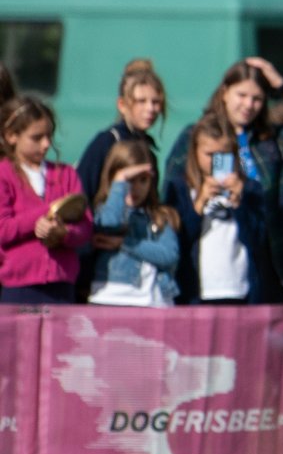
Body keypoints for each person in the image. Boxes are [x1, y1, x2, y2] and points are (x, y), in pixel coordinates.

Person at [165, 56, 283, 302]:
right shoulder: (195, 137)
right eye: (242, 95)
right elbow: (172, 197)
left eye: (257, 98)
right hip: (207, 265)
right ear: (225, 92)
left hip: (264, 261)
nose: (249, 105)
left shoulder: (270, 142)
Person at [76, 58, 168, 294]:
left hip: (137, 266)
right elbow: (81, 194)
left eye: (156, 102)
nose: (150, 109)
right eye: (141, 101)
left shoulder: (147, 149)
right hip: (101, 268)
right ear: (123, 104)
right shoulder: (106, 142)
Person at [0, 96, 92, 303]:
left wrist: (63, 233)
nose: (46, 144)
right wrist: (45, 213)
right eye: (36, 137)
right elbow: (3, 229)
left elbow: (85, 226)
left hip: (62, 285)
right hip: (19, 288)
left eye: (49, 136)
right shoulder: (3, 174)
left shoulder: (66, 174)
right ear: (11, 136)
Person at [168, 115, 267, 306]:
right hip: (196, 290)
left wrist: (240, 202)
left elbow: (257, 240)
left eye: (223, 155)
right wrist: (200, 203)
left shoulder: (250, 188)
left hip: (237, 289)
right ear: (195, 151)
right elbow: (177, 240)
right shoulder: (180, 187)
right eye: (209, 154)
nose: (215, 162)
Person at [86, 139, 180, 307]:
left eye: (142, 180)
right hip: (111, 298)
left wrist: (125, 243)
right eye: (129, 180)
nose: (135, 188)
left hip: (152, 301)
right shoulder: (103, 212)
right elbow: (109, 223)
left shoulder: (160, 216)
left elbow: (169, 255)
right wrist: (120, 182)